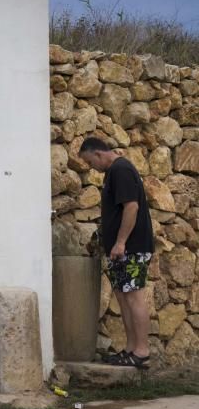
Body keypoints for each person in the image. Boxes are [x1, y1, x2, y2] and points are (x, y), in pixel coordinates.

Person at [78, 137, 155, 369]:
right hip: (120, 251)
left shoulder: (121, 170)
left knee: (134, 296)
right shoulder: (115, 171)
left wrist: (121, 242)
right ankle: (131, 349)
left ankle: (142, 351)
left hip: (131, 248)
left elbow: (132, 207)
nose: (92, 167)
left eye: (91, 162)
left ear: (99, 154)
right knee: (123, 297)